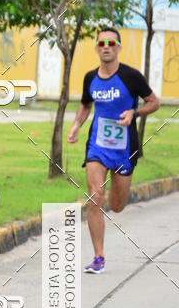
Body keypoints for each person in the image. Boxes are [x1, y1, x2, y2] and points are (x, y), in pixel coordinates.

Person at [67, 26, 160, 273]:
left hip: (124, 148)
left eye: (111, 42)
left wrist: (135, 112)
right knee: (95, 196)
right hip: (97, 145)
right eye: (102, 43)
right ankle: (98, 257)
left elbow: (154, 102)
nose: (106, 46)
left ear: (118, 47)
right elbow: (86, 105)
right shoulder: (90, 78)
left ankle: (115, 195)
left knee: (117, 205)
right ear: (97, 48)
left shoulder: (131, 77)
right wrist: (76, 125)